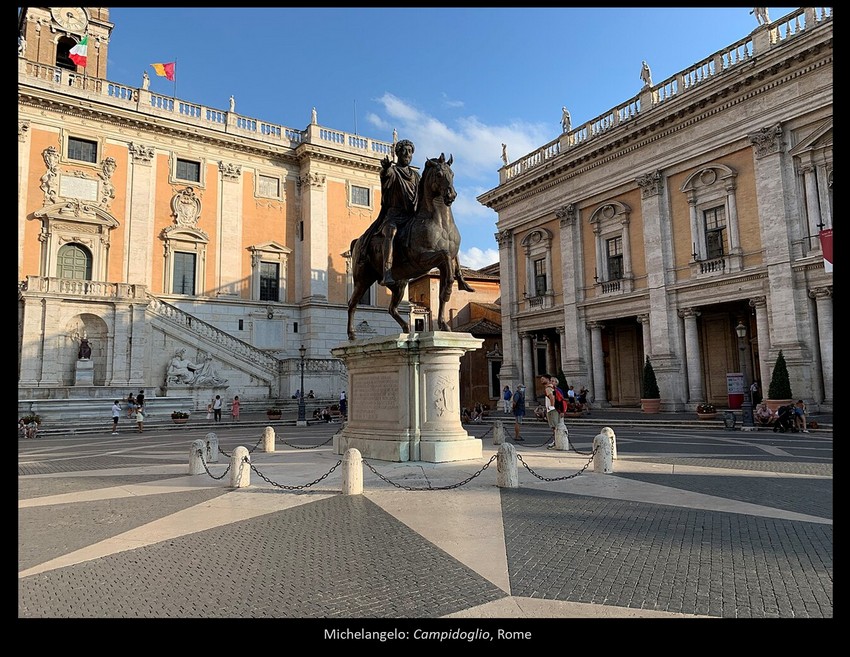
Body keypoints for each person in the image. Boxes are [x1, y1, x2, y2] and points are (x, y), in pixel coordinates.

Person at [359, 139, 420, 287]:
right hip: (393, 216)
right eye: (404, 151)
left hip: (411, 216)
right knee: (391, 232)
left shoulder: (416, 176)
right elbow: (385, 176)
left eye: (410, 151)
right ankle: (387, 271)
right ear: (398, 153)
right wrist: (386, 169)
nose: (407, 154)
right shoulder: (393, 171)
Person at [540, 374, 559, 448]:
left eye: (543, 379)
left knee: (554, 427)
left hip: (552, 410)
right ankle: (556, 441)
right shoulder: (552, 387)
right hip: (555, 409)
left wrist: (551, 407)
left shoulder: (548, 388)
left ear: (548, 379)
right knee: (555, 426)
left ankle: (556, 442)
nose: (541, 380)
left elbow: (552, 398)